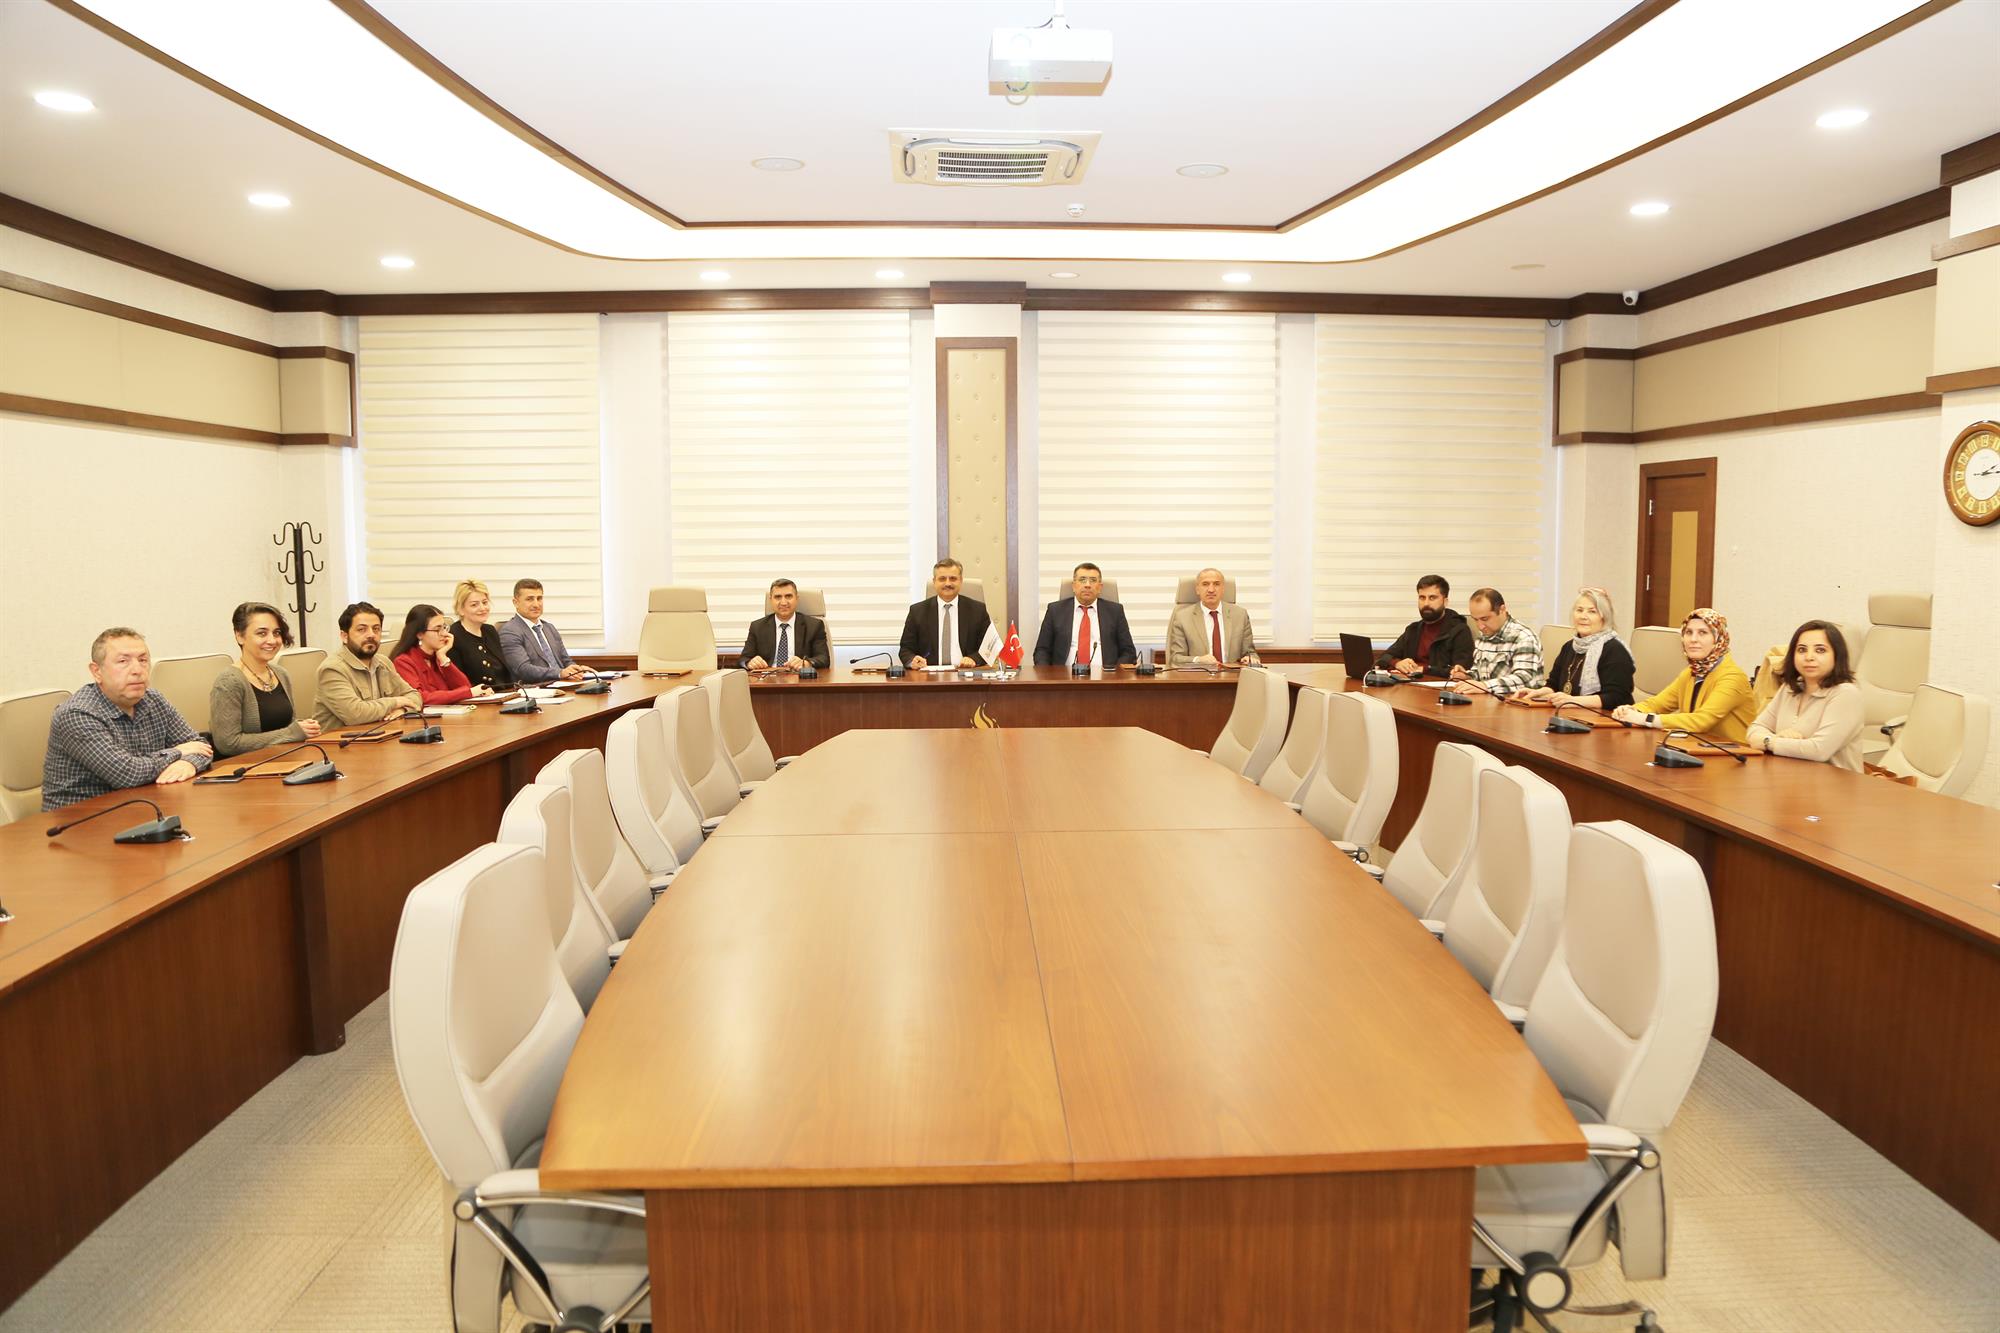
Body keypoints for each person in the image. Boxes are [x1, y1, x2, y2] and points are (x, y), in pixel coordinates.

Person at [42, 627, 212, 810]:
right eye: (123, 661)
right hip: (82, 818)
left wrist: (188, 762)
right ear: (97, 671)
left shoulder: (154, 699)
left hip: (140, 806)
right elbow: (127, 774)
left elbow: (199, 746)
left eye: (143, 660)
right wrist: (177, 752)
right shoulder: (77, 714)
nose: (137, 670)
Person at [1613, 607, 1757, 741]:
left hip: (1736, 754)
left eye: (1703, 633)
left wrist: (1646, 719)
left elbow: (1701, 721)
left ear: (1718, 639)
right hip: (1697, 747)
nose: (1693, 639)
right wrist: (1631, 710)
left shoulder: (1733, 677)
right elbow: (1658, 703)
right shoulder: (1691, 672)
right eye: (1688, 632)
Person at [1746, 621, 1866, 771]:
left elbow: (1819, 750)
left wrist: (1771, 741)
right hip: (1791, 775)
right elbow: (1755, 729)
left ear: (1837, 655)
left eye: (1820, 650)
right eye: (1802, 650)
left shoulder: (1846, 694)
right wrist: (1779, 740)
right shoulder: (1789, 688)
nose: (1809, 657)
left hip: (1836, 782)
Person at [209, 601, 322, 758]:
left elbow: (287, 725)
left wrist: (304, 727)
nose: (272, 640)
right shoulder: (229, 682)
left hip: (286, 758)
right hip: (248, 766)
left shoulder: (281, 673)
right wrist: (292, 732)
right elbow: (228, 744)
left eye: (276, 633)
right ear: (240, 636)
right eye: (262, 633)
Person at [1524, 587, 1635, 712]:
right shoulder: (1569, 647)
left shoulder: (1615, 650)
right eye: (1579, 610)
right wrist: (1537, 693)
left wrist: (1573, 701)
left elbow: (1617, 698)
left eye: (1592, 612)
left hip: (1606, 718)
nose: (1583, 616)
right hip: (1570, 714)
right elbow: (1554, 684)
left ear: (1604, 618)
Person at [316, 602, 422, 728]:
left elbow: (415, 696)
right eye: (362, 629)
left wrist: (403, 709)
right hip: (342, 739)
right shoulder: (332, 669)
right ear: (344, 636)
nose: (371, 635)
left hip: (381, 734)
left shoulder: (383, 662)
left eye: (376, 629)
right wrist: (395, 702)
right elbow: (355, 714)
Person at [1034, 563, 1138, 667]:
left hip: (1106, 675)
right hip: (1063, 675)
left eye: (1093, 580)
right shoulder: (1055, 610)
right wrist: (1047, 674)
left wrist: (1114, 673)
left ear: (1100, 587)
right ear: (1074, 586)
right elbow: (1042, 651)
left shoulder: (1115, 611)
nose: (1087, 585)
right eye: (1082, 580)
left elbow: (1128, 652)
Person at [899, 558, 993, 668]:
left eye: (953, 578)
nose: (948, 583)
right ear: (934, 582)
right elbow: (905, 649)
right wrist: (912, 661)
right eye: (942, 579)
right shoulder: (917, 611)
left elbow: (988, 648)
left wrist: (973, 659)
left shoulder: (978, 610)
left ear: (961, 581)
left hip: (965, 673)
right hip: (929, 673)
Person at [1376, 574, 1473, 677]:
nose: (1426, 603)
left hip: (1440, 685)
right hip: (1410, 683)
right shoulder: (1413, 629)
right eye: (1422, 598)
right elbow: (1384, 657)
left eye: (1432, 598)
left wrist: (1424, 669)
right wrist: (1397, 663)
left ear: (1445, 602)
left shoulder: (1459, 630)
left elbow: (1460, 671)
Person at [392, 604, 490, 705]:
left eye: (444, 627)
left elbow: (465, 686)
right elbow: (420, 698)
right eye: (437, 629)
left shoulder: (437, 656)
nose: (444, 634)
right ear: (420, 634)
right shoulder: (403, 662)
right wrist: (468, 692)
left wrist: (444, 659)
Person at [1453, 587, 1542, 694]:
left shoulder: (1523, 637)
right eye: (1475, 619)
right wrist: (1467, 676)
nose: (1480, 626)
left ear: (1502, 610)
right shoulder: (1484, 636)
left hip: (1516, 701)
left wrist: (1485, 686)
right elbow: (1481, 674)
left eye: (1485, 619)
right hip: (1488, 700)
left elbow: (1524, 680)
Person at [500, 578, 588, 684]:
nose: (536, 604)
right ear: (516, 602)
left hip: (564, 684)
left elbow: (566, 660)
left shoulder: (549, 628)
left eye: (539, 598)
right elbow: (523, 669)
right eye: (529, 599)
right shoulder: (510, 632)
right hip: (538, 688)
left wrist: (577, 670)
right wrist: (560, 673)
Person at [1166, 567, 1259, 668]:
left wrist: (1250, 658)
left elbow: (1250, 653)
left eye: (1216, 584)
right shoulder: (1182, 617)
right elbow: (1176, 659)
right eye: (1205, 584)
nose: (1211, 590)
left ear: (1223, 589)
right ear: (1197, 589)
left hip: (1232, 675)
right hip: (1199, 676)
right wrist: (1198, 660)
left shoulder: (1240, 615)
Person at [742, 578, 830, 670]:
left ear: (797, 598)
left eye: (788, 596)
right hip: (768, 676)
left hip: (799, 676)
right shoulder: (757, 627)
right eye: (778, 597)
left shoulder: (814, 626)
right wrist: (749, 663)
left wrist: (807, 663)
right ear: (771, 600)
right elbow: (743, 659)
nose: (783, 603)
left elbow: (824, 659)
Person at [446, 579, 516, 692]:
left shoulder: (490, 631)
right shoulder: (453, 637)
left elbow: (505, 675)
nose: (483, 608)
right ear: (461, 609)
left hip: (504, 694)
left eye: (485, 602)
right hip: (477, 698)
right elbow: (457, 682)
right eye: (474, 605)